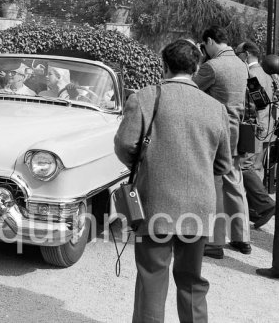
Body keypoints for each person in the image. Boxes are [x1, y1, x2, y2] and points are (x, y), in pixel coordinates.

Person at [114, 39, 231, 323]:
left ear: (163, 66)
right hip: (199, 205)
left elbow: (124, 144)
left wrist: (145, 164)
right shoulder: (216, 108)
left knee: (152, 277)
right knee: (192, 280)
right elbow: (224, 163)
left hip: (155, 201)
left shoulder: (144, 97)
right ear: (196, 67)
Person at [193, 25, 251, 259]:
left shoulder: (212, 66)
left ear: (209, 41)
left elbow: (190, 88)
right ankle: (241, 237)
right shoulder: (241, 64)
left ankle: (214, 242)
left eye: (204, 45)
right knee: (235, 183)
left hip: (217, 134)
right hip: (237, 131)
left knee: (214, 185)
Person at [235, 41, 275, 229]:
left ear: (248, 53)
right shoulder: (267, 73)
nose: (237, 56)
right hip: (266, 127)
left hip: (254, 127)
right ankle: (256, 209)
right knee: (254, 166)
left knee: (245, 166)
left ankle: (263, 205)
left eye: (239, 52)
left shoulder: (252, 74)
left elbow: (258, 102)